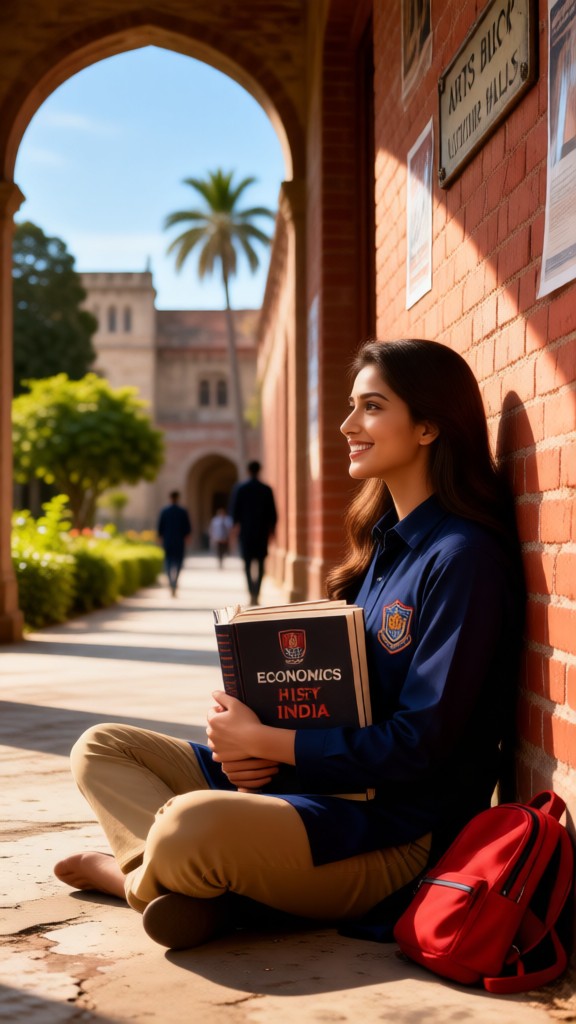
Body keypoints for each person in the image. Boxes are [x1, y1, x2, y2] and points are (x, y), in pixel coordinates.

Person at [53, 338, 524, 952]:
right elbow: (343, 697)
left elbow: (421, 746)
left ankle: (132, 877)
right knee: (102, 747)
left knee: (187, 823)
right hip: (307, 789)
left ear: (430, 425)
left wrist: (270, 743)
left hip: (387, 835)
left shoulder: (464, 559)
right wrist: (249, 738)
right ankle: (198, 888)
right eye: (351, 406)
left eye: (372, 408)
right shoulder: (381, 550)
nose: (347, 425)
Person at [230, 460, 277, 602]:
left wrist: (235, 529)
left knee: (247, 564)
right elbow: (273, 513)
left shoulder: (240, 488)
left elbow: (234, 512)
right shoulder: (266, 489)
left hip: (246, 533)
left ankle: (251, 592)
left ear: (248, 471)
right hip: (262, 532)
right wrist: (272, 531)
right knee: (261, 563)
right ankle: (257, 592)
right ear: (259, 470)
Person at [157, 491, 192, 596]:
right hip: (179, 541)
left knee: (168, 562)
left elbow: (160, 528)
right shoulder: (182, 511)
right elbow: (187, 528)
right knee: (178, 563)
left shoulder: (165, 511)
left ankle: (171, 582)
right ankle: (175, 582)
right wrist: (187, 538)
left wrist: (160, 538)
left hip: (168, 541)